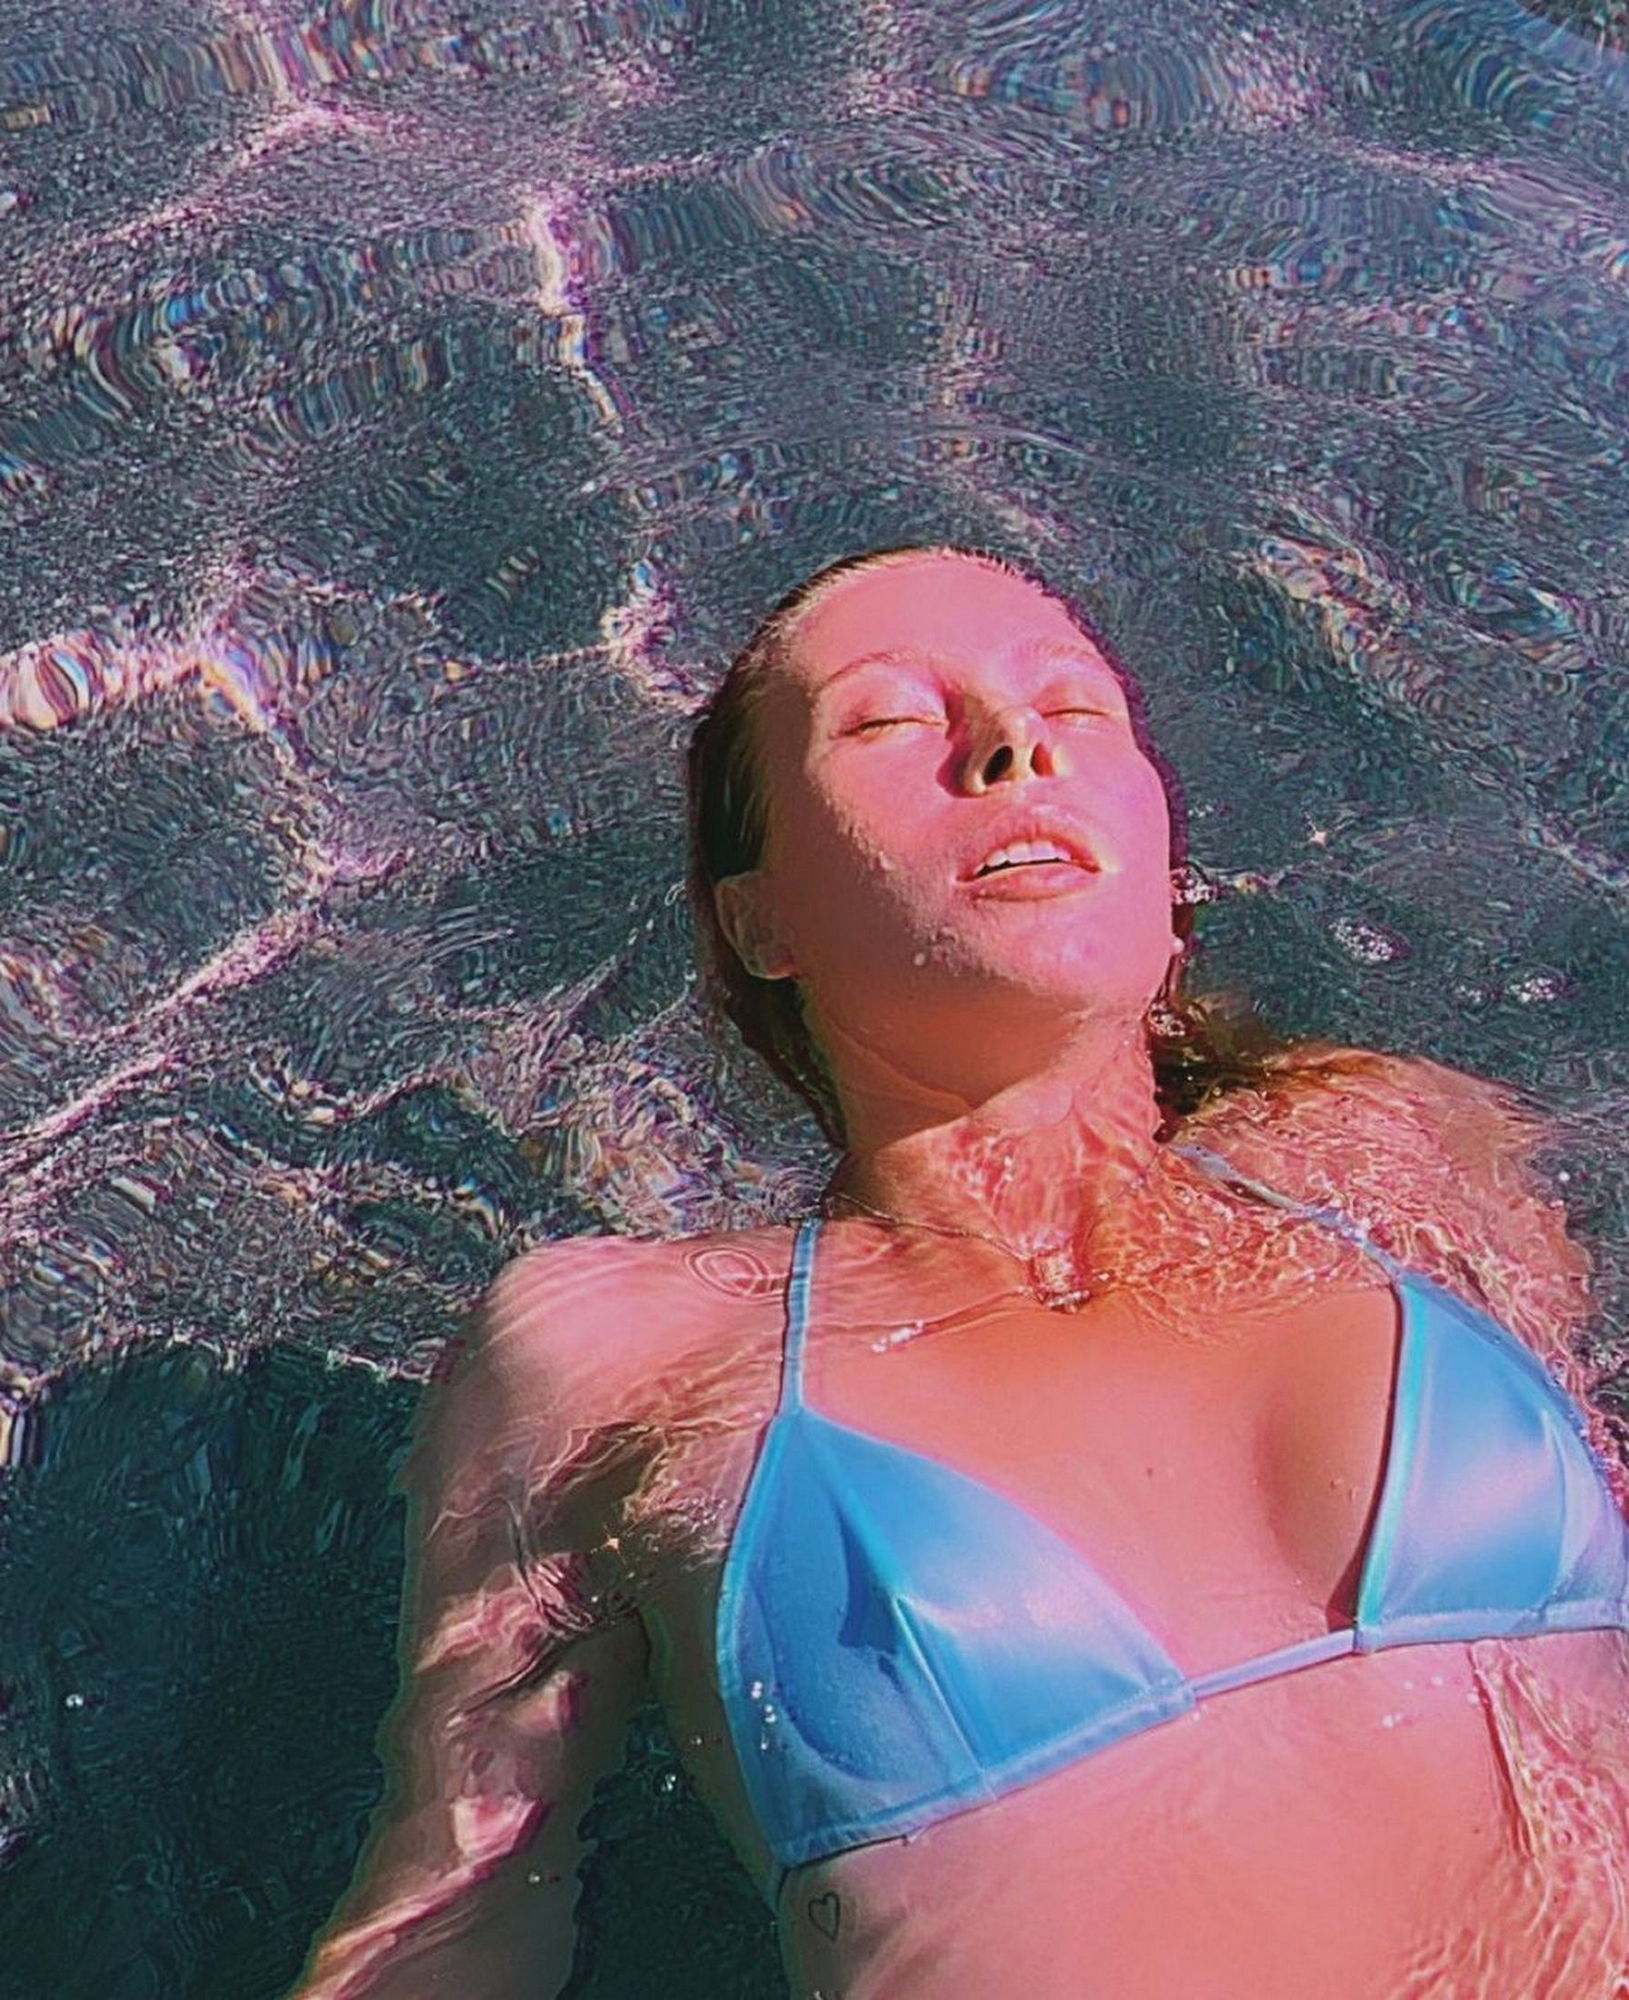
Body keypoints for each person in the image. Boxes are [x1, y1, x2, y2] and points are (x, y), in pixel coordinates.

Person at [291, 545, 1629, 1999]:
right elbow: (456, 1905)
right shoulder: (624, 1353)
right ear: (758, 922)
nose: (1012, 745)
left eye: (1076, 707)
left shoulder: (1395, 1158)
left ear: (1167, 874)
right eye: (887, 722)